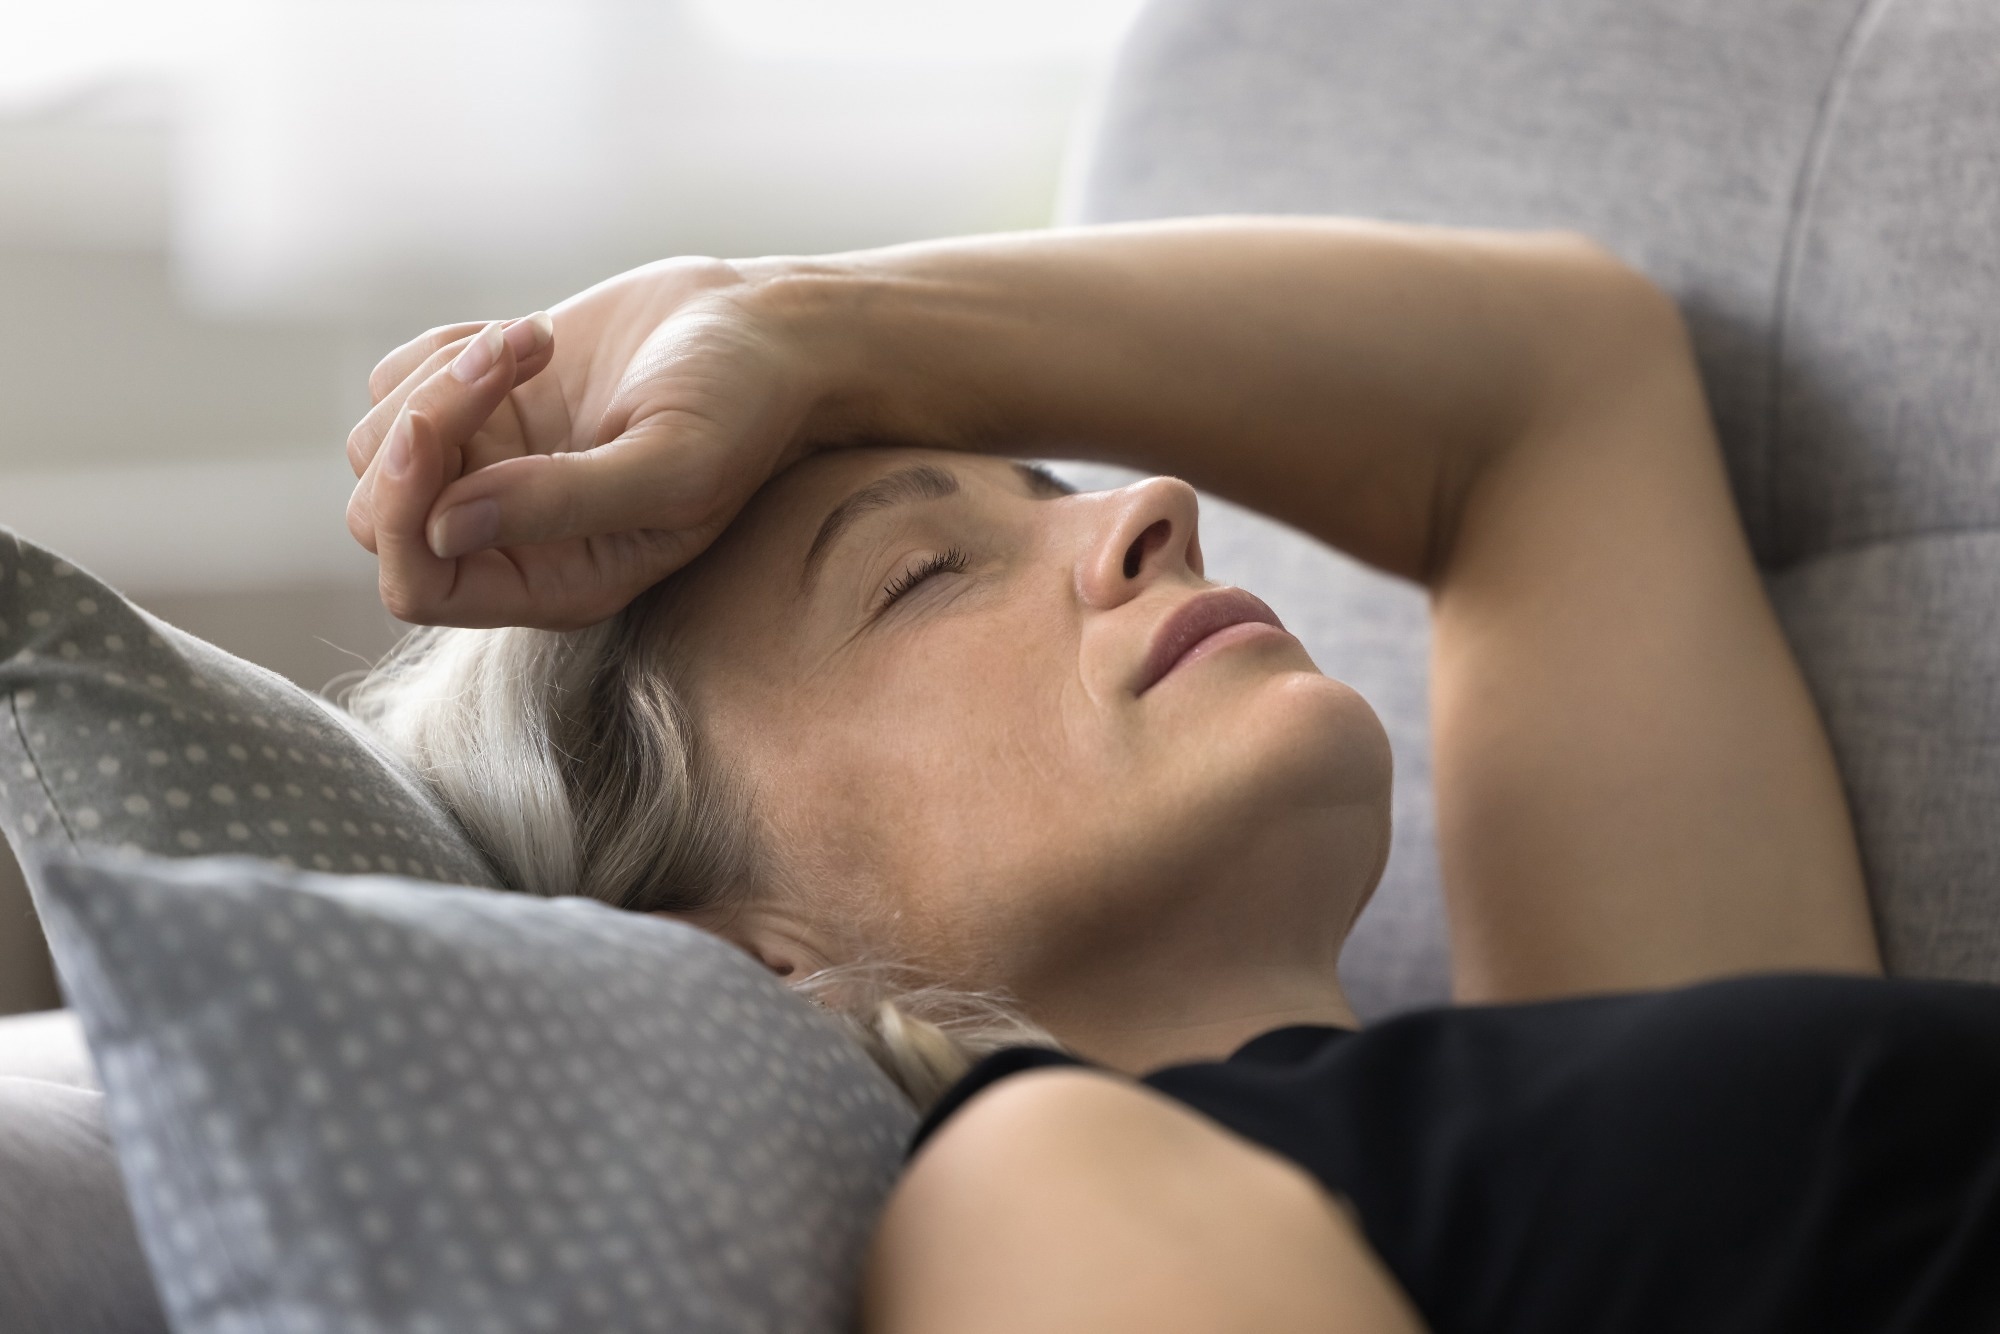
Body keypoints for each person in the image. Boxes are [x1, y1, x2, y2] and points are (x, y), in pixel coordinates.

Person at [339, 218, 1999, 1332]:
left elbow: (1559, 374)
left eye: (1043, 482)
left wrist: (786, 320)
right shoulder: (1026, 1190)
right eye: (923, 571)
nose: (1151, 505)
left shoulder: (1564, 1134)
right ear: (746, 960)